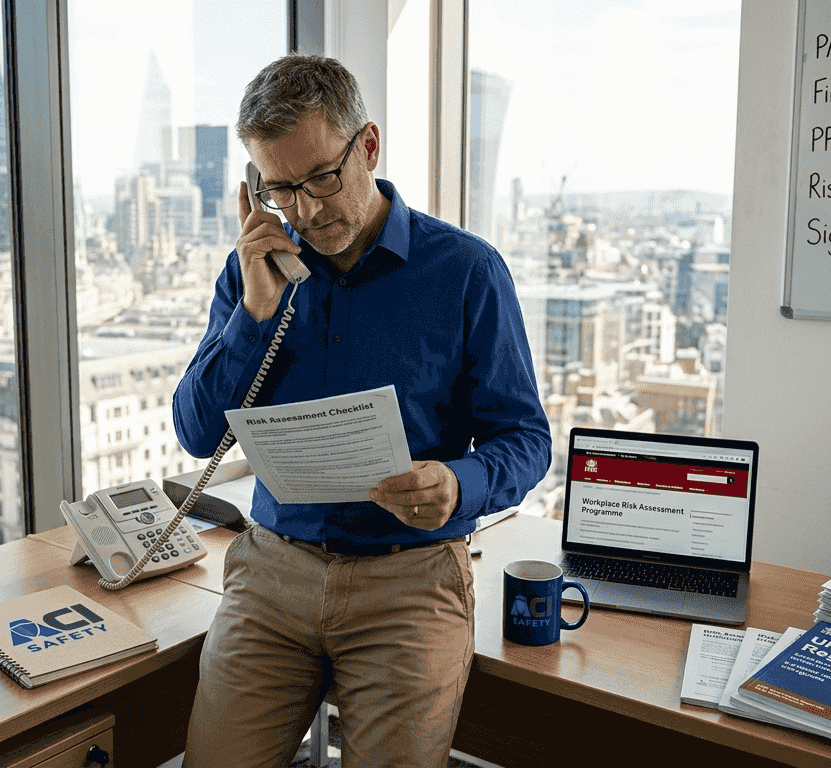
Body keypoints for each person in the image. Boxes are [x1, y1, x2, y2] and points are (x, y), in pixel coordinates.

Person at [174, 54, 551, 768]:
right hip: (274, 573)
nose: (309, 210)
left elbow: (526, 437)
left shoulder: (467, 271)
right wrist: (254, 313)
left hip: (408, 580)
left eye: (321, 177)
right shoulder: (254, 270)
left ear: (368, 147)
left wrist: (460, 484)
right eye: (281, 189)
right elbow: (198, 433)